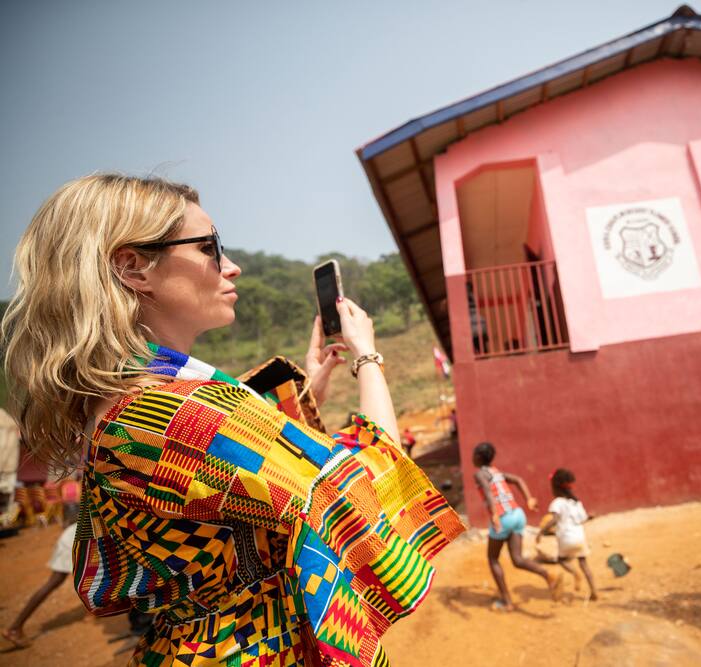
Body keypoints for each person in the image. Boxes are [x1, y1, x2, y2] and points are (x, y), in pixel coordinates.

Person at [1, 175, 464, 666]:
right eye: (209, 247)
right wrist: (367, 357)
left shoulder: (129, 403)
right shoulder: (170, 417)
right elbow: (363, 490)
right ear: (133, 268)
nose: (233, 267)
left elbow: (226, 474)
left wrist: (305, 386)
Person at [472, 441, 560, 611]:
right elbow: (518, 479)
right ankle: (548, 575)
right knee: (517, 559)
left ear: (477, 457)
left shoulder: (480, 474)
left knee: (492, 559)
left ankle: (507, 602)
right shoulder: (496, 471)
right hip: (517, 514)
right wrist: (529, 499)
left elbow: (488, 492)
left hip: (503, 517)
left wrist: (495, 514)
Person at [2, 520, 77, 648]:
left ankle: (15, 627)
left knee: (58, 580)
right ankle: (15, 628)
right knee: (55, 581)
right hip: (74, 541)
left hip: (73, 537)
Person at [539, 468, 597, 601]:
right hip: (580, 537)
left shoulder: (557, 503)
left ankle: (575, 573)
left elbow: (553, 519)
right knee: (584, 564)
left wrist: (542, 531)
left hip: (565, 537)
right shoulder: (576, 502)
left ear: (555, 487)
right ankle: (594, 591)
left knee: (561, 560)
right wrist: (590, 517)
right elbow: (583, 518)